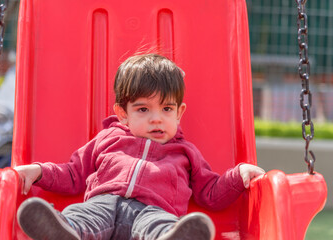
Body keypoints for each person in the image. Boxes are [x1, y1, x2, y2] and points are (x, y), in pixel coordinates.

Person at [15, 53, 265, 240]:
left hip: (153, 210)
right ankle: (64, 231)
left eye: (166, 109)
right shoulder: (108, 139)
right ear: (122, 113)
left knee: (159, 225)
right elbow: (72, 173)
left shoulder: (185, 152)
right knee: (83, 215)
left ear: (179, 112)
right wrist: (38, 171)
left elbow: (210, 192)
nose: (156, 119)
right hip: (104, 202)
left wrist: (238, 174)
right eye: (143, 109)